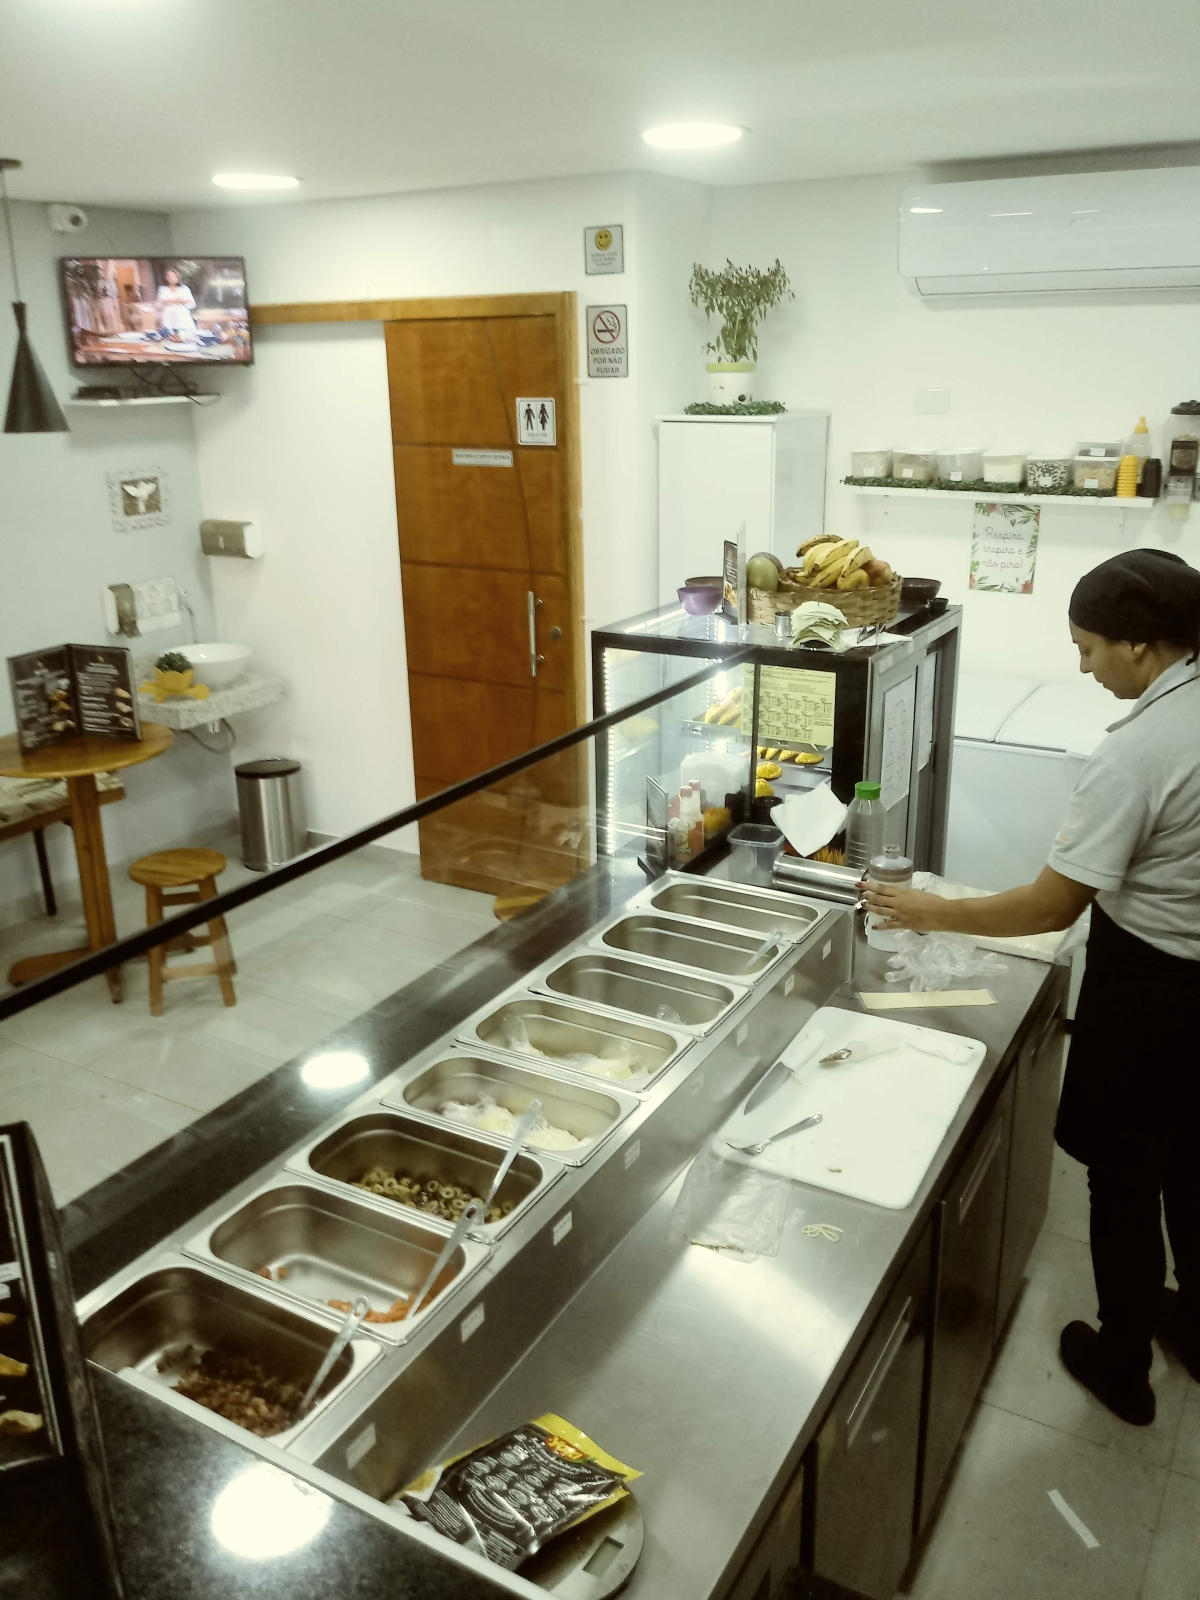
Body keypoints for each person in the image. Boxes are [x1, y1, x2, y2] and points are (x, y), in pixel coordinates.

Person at [864, 548, 1200, 1427]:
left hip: (1156, 986)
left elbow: (1054, 906)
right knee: (1195, 1160)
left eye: (1089, 648)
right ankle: (1198, 1326)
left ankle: (1121, 1363)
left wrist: (929, 912)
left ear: (1141, 645)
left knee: (1123, 1177)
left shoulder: (1140, 750)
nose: (1083, 667)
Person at [155, 265, 198, 341]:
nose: (171, 278)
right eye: (169, 276)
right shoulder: (163, 289)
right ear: (166, 277)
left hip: (183, 318)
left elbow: (191, 303)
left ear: (177, 277)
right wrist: (178, 301)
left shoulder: (184, 289)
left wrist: (171, 301)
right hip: (168, 318)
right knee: (168, 339)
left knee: (185, 339)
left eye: (173, 276)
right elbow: (159, 303)